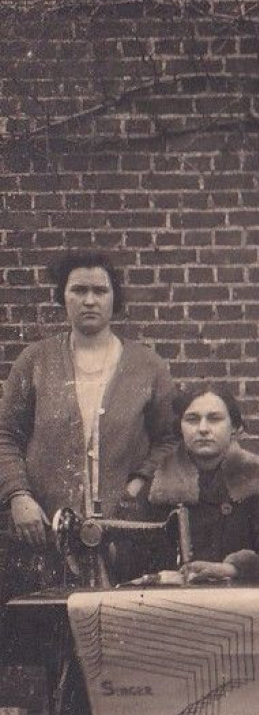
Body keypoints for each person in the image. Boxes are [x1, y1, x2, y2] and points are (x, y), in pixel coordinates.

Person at [1, 251, 178, 594]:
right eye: (78, 291)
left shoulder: (147, 365)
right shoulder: (35, 360)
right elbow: (6, 435)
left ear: (115, 298)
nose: (89, 301)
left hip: (125, 532)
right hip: (46, 533)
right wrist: (18, 496)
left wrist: (138, 483)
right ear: (62, 297)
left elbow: (168, 440)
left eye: (100, 291)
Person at [136, 384, 259, 584]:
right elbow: (133, 557)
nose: (203, 429)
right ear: (180, 427)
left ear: (234, 427)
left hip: (239, 601)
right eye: (192, 419)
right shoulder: (157, 486)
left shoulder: (257, 479)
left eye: (214, 419)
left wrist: (231, 569)